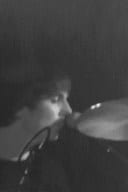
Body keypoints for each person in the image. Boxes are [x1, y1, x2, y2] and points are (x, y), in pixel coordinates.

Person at [0, 64, 73, 192]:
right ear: (20, 104)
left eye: (66, 99)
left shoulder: (51, 175)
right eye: (55, 99)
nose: (68, 110)